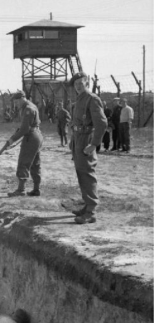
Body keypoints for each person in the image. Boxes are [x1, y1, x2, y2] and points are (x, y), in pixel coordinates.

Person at [68, 72, 108, 224]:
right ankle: (87, 205)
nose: (78, 86)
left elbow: (102, 123)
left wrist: (94, 144)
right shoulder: (79, 99)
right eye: (76, 84)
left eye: (81, 83)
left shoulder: (92, 99)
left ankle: (91, 211)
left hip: (86, 139)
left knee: (87, 173)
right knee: (81, 172)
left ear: (87, 83)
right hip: (78, 138)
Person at [0, 91, 44, 197]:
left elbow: (24, 129)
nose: (15, 104)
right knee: (35, 164)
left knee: (23, 162)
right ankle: (36, 189)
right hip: (37, 135)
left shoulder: (28, 109)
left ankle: (21, 190)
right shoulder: (31, 105)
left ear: (21, 99)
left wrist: (11, 140)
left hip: (31, 137)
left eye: (16, 102)